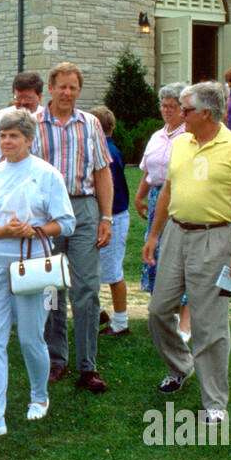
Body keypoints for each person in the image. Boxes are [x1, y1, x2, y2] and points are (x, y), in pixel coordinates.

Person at [142, 82, 231, 425]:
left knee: (209, 325)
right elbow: (167, 191)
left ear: (205, 113)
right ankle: (180, 365)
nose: (180, 114)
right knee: (158, 309)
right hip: (176, 235)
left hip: (216, 239)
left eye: (186, 109)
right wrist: (154, 236)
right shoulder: (180, 143)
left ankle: (214, 404)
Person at [0, 110, 75, 443]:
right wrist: (1, 231)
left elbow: (66, 222)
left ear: (29, 140)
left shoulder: (46, 174)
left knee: (30, 338)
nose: (7, 142)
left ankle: (39, 395)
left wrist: (34, 229)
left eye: (14, 136)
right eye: (3, 136)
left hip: (35, 265)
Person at [34, 62, 114, 393]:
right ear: (50, 88)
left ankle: (87, 366)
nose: (67, 93)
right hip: (46, 211)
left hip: (83, 208)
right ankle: (56, 359)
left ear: (79, 91)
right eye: (62, 86)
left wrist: (106, 217)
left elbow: (102, 172)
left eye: (73, 87)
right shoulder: (33, 123)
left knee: (87, 290)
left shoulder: (91, 124)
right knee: (51, 288)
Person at [135, 84, 192, 343]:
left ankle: (185, 318)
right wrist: (140, 196)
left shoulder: (188, 136)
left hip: (180, 197)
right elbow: (149, 169)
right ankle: (163, 315)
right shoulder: (158, 135)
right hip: (157, 196)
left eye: (173, 106)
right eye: (164, 106)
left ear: (183, 109)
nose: (167, 111)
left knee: (179, 254)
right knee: (155, 253)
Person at [91, 106, 132, 336]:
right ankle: (97, 313)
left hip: (113, 216)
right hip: (105, 216)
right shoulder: (108, 148)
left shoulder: (107, 153)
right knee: (91, 269)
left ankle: (121, 321)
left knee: (112, 272)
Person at [0, 72, 44, 174]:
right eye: (18, 97)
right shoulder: (0, 117)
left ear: (39, 97)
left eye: (28, 98)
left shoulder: (45, 120)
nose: (23, 102)